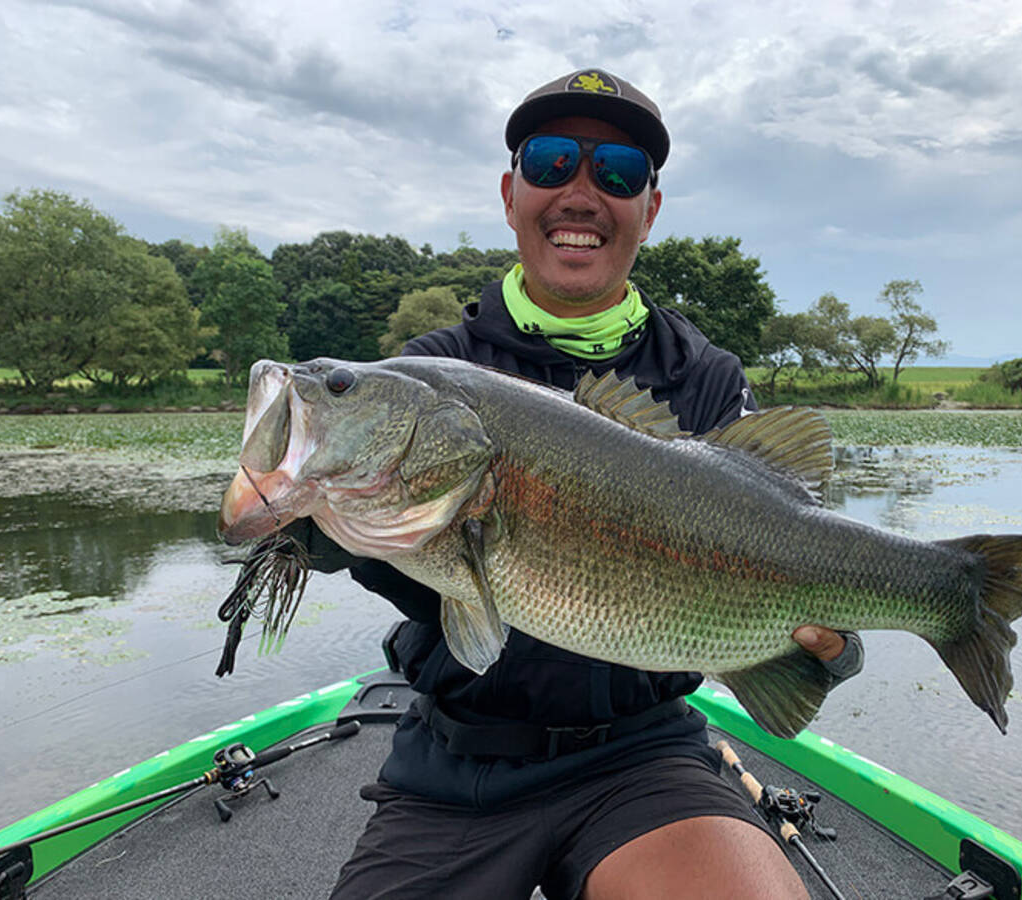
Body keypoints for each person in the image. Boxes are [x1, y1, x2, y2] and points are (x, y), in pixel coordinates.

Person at [319, 68, 863, 900]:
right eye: (549, 162)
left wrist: (833, 642)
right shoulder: (430, 374)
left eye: (616, 172)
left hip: (642, 754)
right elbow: (329, 534)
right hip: (454, 760)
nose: (580, 191)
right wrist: (292, 515)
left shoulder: (705, 376)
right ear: (511, 193)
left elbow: (791, 536)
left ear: (649, 206)